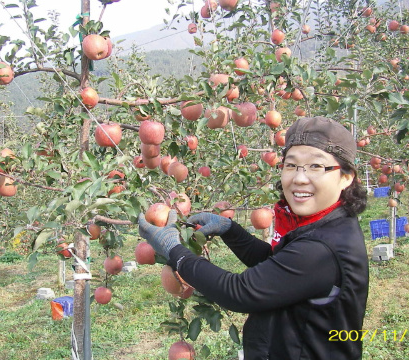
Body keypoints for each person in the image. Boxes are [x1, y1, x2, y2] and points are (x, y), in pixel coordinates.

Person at [138, 116, 369, 360]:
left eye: (316, 166)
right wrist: (230, 230)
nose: (300, 177)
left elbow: (239, 292)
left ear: (346, 176)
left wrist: (175, 251)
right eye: (291, 165)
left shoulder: (322, 248)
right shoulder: (325, 225)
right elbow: (276, 264)